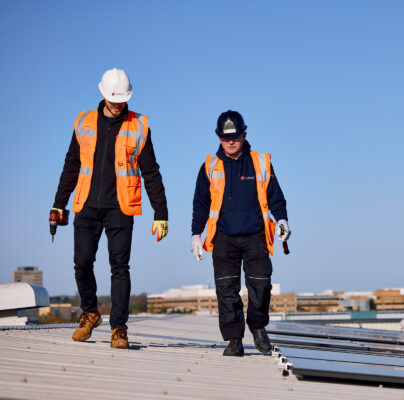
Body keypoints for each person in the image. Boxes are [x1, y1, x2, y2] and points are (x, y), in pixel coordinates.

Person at [52, 68, 168, 349]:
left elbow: (150, 171)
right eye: (113, 99)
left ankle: (119, 328)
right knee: (82, 263)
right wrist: (59, 203)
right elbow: (71, 165)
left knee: (120, 268)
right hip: (87, 205)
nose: (117, 104)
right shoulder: (84, 122)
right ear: (103, 94)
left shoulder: (139, 125)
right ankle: (90, 313)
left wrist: (161, 212)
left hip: (121, 207)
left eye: (122, 99)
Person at [191, 110, 290, 356]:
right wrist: (196, 234)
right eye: (225, 138)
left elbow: (275, 196)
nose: (231, 141)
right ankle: (234, 339)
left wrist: (282, 219)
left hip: (255, 233)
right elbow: (200, 204)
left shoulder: (261, 162)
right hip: (223, 236)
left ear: (244, 134)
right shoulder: (209, 166)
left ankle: (258, 328)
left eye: (235, 136)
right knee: (226, 289)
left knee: (261, 285)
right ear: (219, 138)